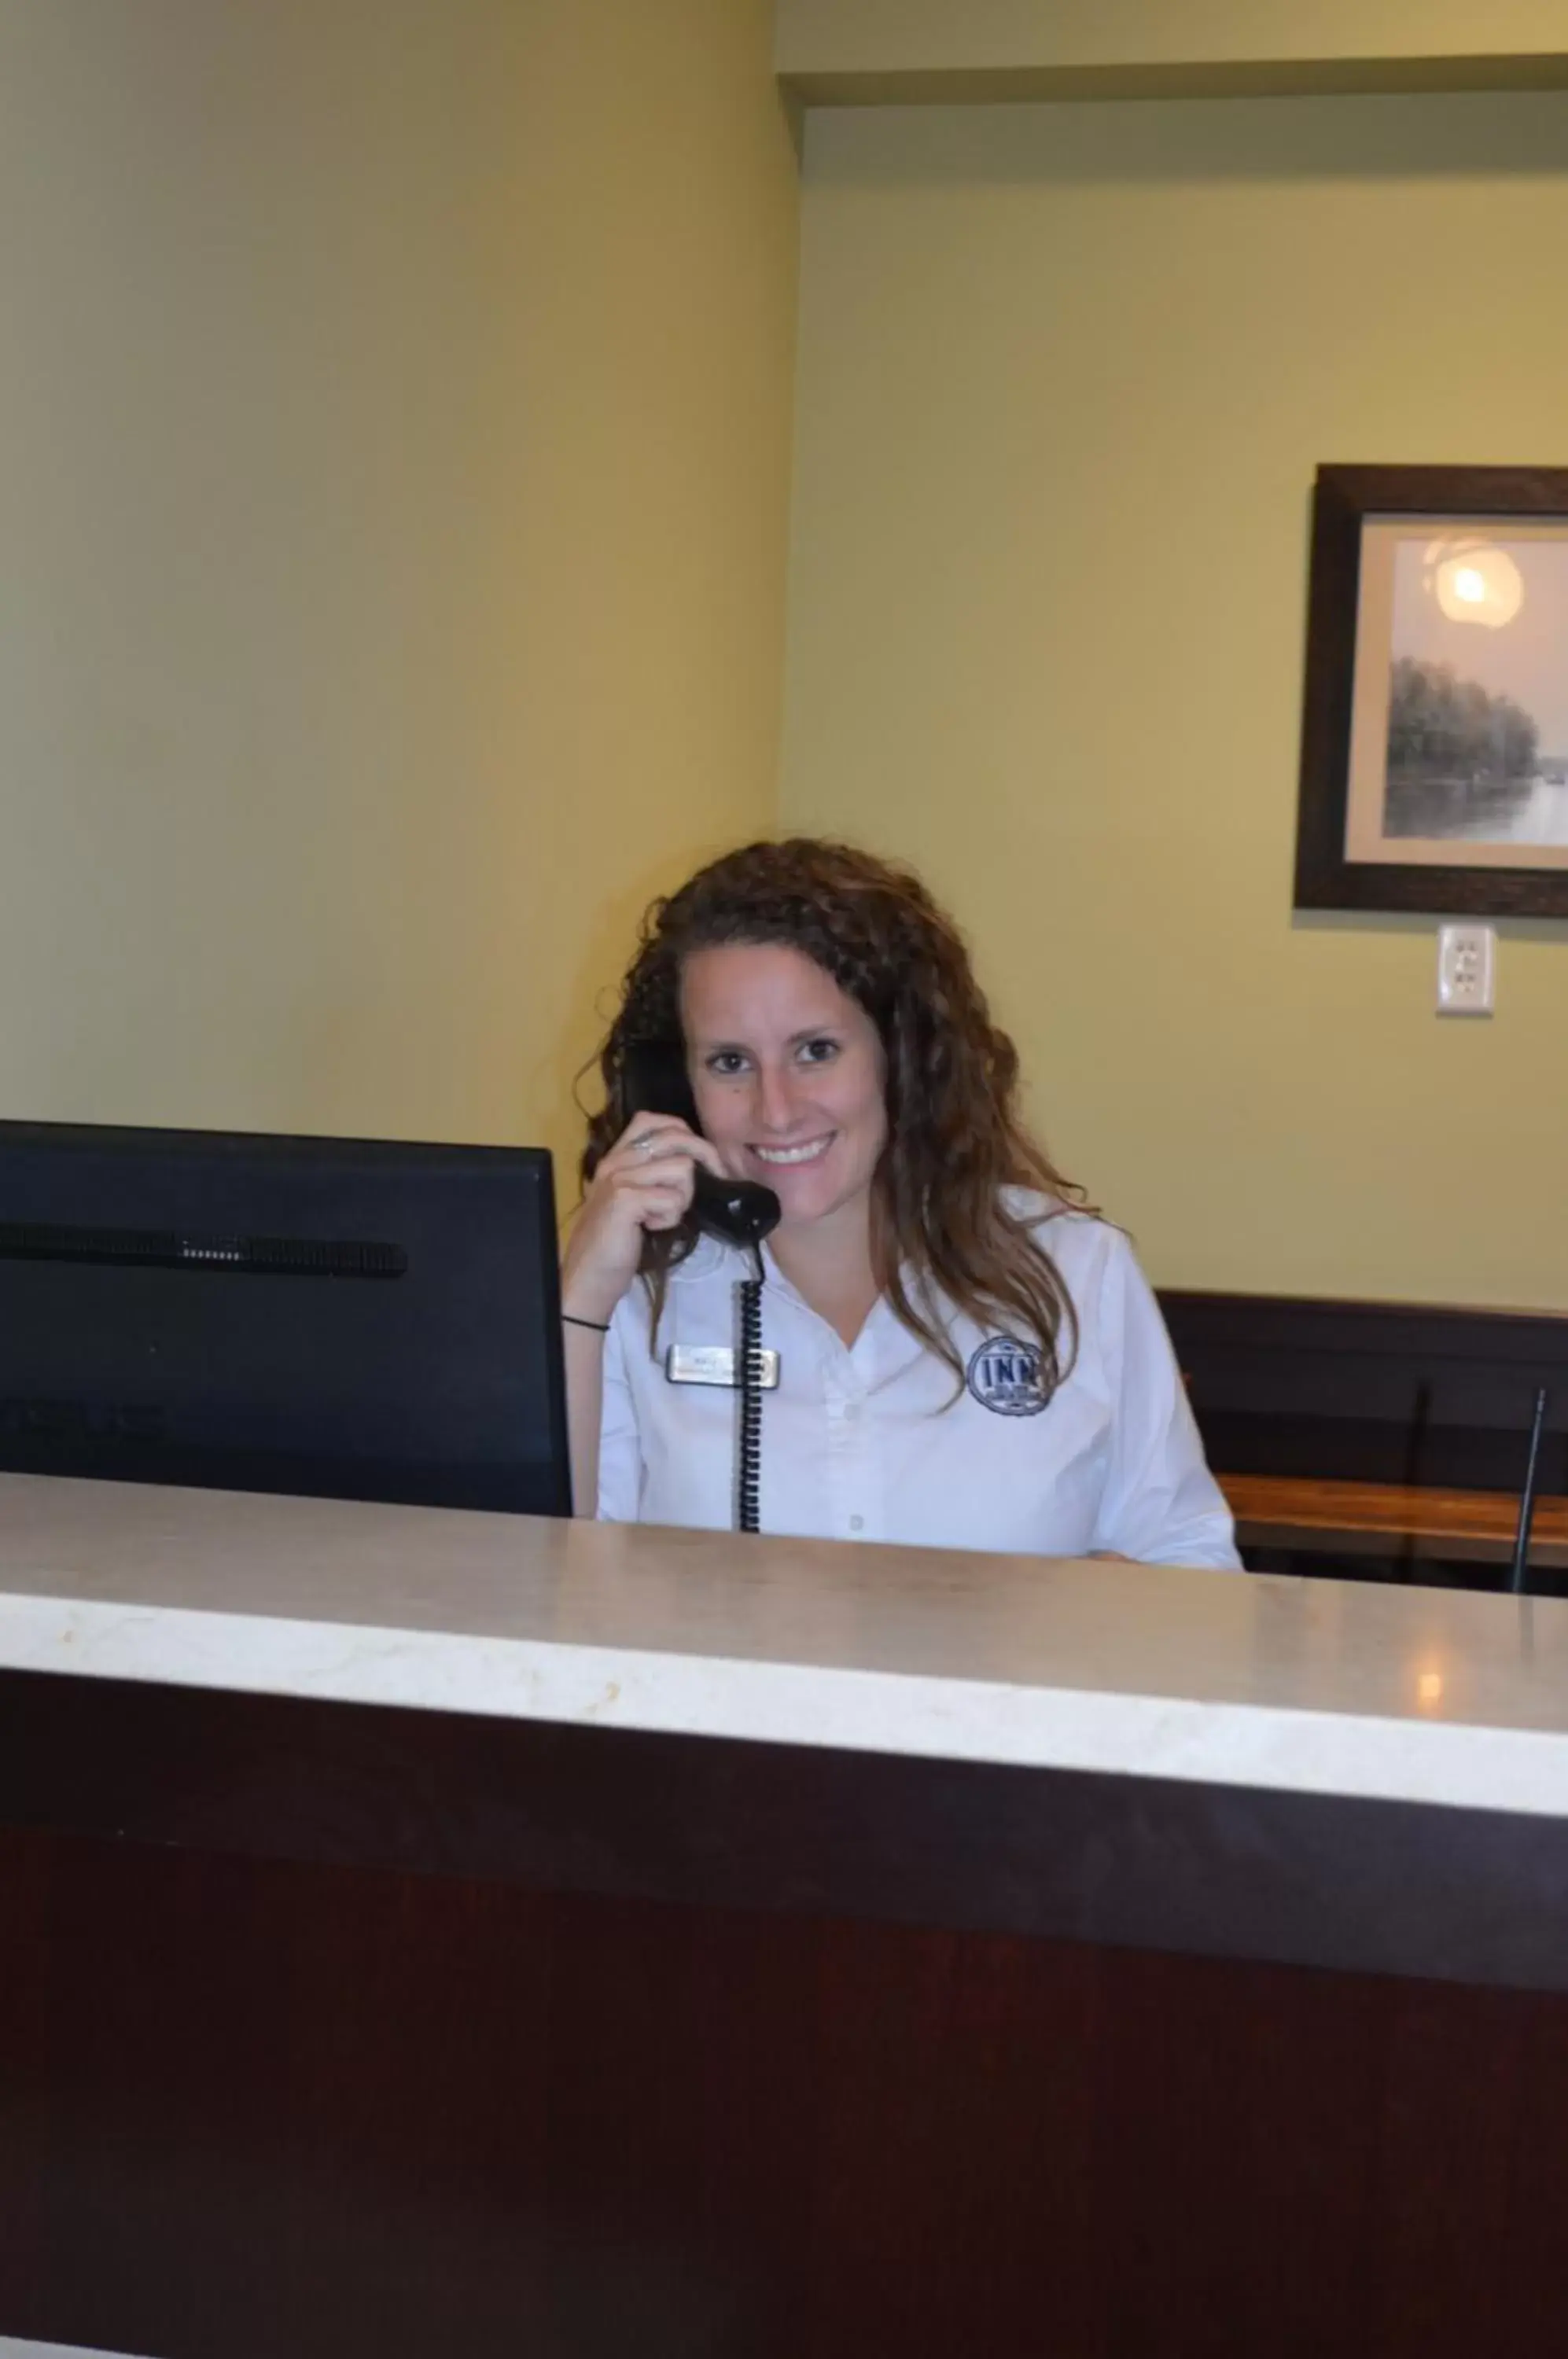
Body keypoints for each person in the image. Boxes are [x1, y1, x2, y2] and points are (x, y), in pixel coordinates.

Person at [560, 838, 1240, 1570]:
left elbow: (1187, 1562)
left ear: (902, 1053)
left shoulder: (1076, 1270)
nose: (777, 1110)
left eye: (816, 1050)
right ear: (676, 1083)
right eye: (730, 1062)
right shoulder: (638, 1293)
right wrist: (582, 1297)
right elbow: (534, 1580)